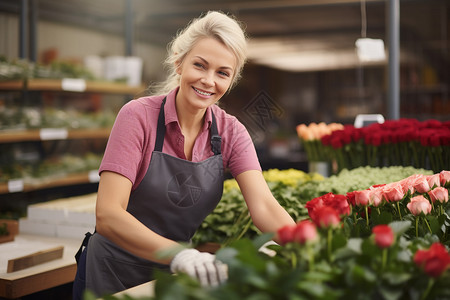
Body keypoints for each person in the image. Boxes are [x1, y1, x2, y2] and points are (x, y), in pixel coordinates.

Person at [72, 10, 296, 299]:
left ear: (231, 80)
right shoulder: (138, 117)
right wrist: (180, 255)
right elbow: (108, 214)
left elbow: (264, 207)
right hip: (112, 272)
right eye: (200, 65)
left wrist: (302, 246)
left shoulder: (231, 132)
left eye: (222, 73)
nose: (208, 80)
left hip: (173, 277)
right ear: (179, 62)